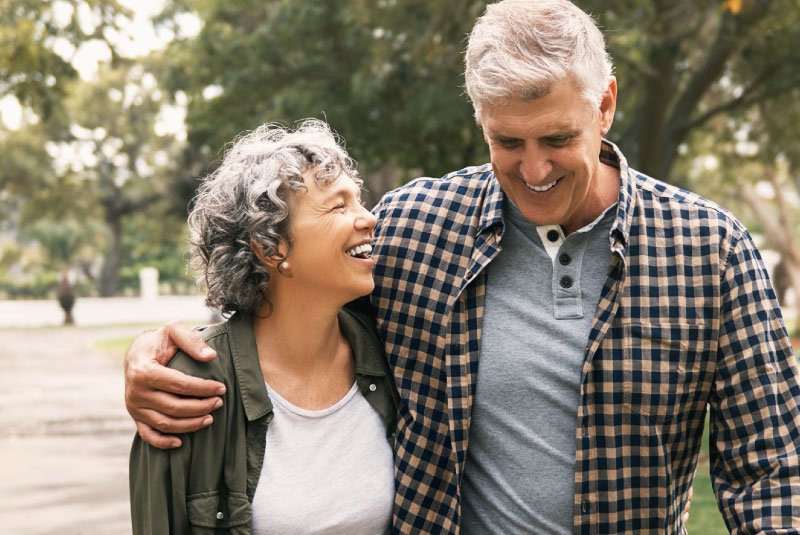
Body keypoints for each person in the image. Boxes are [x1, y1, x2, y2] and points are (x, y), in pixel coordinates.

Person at [125, 1, 800, 533]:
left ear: (606, 106)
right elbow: (289, 303)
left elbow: (772, 469)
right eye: (508, 142)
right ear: (480, 121)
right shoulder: (417, 227)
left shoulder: (710, 250)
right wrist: (157, 354)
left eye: (558, 139)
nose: (533, 170)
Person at [128, 120, 399, 534]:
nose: (368, 219)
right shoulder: (185, 391)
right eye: (338, 206)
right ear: (270, 247)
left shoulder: (393, 354)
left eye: (359, 201)